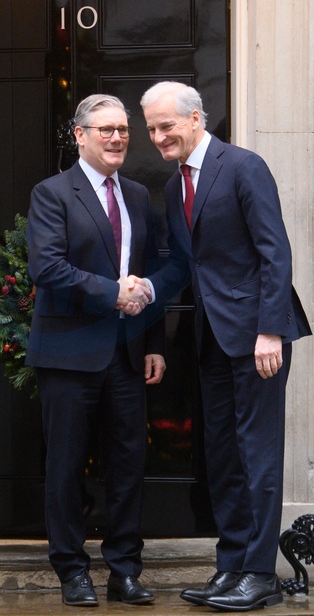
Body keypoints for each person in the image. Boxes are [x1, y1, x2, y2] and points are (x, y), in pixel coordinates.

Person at [139, 81, 311, 612]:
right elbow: (186, 264)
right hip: (210, 339)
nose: (158, 136)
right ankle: (232, 565)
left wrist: (270, 329)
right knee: (222, 456)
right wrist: (145, 291)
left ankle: (260, 575)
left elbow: (274, 252)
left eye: (166, 125)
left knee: (257, 456)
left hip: (257, 336)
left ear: (196, 118)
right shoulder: (175, 186)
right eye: (152, 129)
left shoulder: (243, 166)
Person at [25, 94, 177, 607]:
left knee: (128, 466)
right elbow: (46, 268)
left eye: (123, 130)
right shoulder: (52, 194)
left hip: (128, 355)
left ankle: (124, 571)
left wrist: (154, 342)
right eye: (105, 130)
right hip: (68, 355)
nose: (117, 138)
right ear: (80, 135)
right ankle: (72, 571)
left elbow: (150, 270)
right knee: (66, 467)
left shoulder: (136, 195)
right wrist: (111, 292)